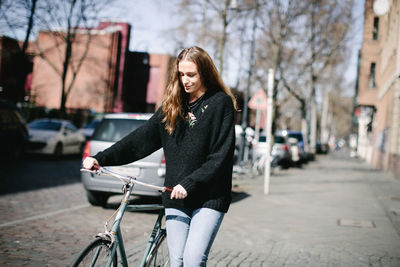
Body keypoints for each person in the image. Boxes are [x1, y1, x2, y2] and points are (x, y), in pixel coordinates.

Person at [82, 46, 237, 266]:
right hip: (175, 196)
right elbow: (138, 141)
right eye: (181, 74)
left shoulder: (220, 103)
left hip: (209, 197)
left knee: (193, 260)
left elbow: (221, 156)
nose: (185, 80)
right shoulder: (172, 106)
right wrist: (100, 158)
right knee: (178, 261)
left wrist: (190, 183)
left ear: (205, 73)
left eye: (191, 74)